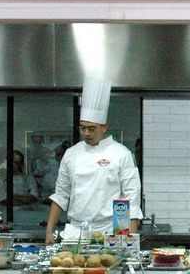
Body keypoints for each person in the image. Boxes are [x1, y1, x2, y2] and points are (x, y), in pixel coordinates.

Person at [45, 78, 142, 243]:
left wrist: (127, 240)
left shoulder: (121, 154)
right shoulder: (71, 154)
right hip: (76, 232)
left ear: (104, 127)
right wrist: (49, 232)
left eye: (92, 129)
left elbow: (130, 199)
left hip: (111, 231)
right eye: (82, 128)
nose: (86, 134)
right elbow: (61, 196)